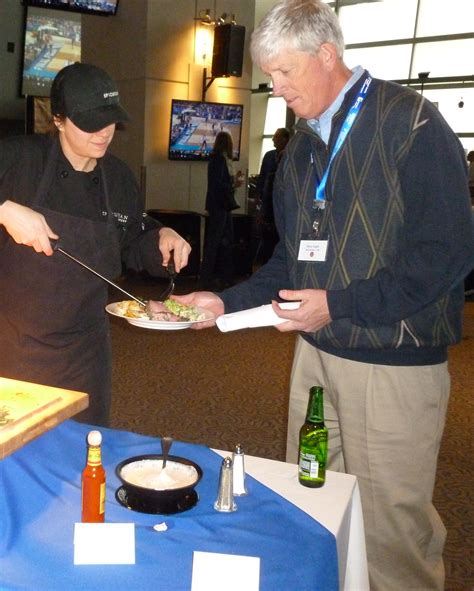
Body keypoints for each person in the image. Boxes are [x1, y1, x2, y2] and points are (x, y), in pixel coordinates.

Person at [171, 2, 474, 590]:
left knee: (390, 531)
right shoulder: (305, 146)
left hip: (391, 363)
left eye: (285, 73)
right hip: (316, 354)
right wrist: (223, 303)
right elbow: (289, 261)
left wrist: (337, 304)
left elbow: (447, 255)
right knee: (312, 501)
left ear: (327, 55)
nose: (277, 88)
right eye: (271, 75)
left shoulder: (409, 122)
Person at [0, 62, 191, 427]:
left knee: (83, 454)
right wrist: (4, 209)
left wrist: (160, 238)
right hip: (14, 347)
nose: (104, 132)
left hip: (87, 351)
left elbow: (132, 239)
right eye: (91, 121)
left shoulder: (117, 177)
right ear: (58, 119)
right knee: (18, 459)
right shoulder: (18, 159)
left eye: (110, 120)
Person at [199, 131, 242, 290]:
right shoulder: (220, 160)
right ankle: (214, 277)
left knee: (220, 241)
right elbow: (220, 185)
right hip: (221, 206)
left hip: (219, 205)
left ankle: (217, 277)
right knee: (218, 242)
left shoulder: (217, 159)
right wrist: (233, 184)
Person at [255, 127, 290, 264]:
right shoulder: (269, 157)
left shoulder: (291, 155)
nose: (273, 139)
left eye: (276, 137)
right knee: (267, 244)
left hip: (281, 214)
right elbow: (262, 178)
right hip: (269, 212)